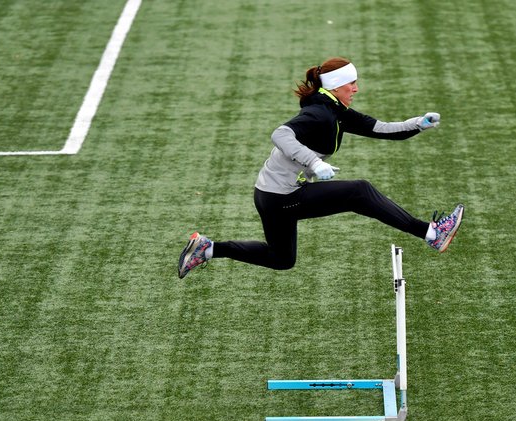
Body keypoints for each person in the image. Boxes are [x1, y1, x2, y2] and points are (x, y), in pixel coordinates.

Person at [178, 57, 464, 279]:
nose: (356, 88)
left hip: (272, 195)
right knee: (358, 191)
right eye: (351, 83)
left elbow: (381, 129)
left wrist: (418, 124)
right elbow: (280, 134)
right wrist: (314, 161)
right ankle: (431, 233)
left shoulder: (336, 111)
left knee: (281, 259)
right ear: (335, 86)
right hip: (280, 198)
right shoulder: (319, 113)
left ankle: (209, 248)